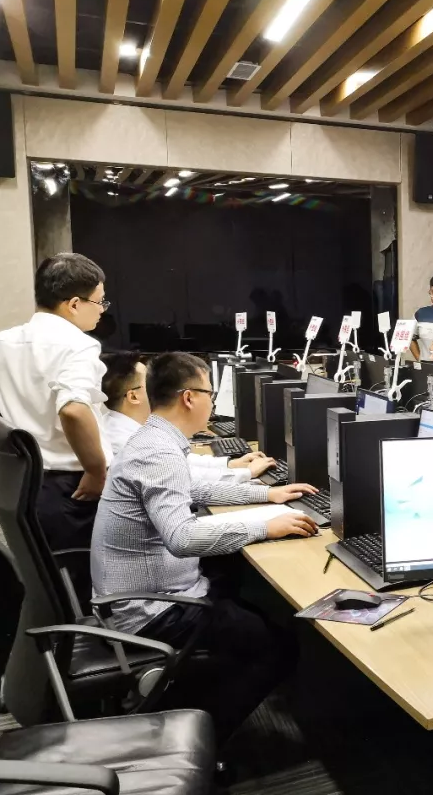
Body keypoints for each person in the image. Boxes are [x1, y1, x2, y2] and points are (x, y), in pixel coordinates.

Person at [91, 352, 319, 743]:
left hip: (145, 594)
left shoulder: (154, 439)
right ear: (189, 397)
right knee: (277, 647)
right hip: (150, 610)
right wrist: (265, 526)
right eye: (210, 393)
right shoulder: (158, 451)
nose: (212, 402)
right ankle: (197, 740)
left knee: (237, 584)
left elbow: (191, 489)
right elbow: (182, 538)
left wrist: (266, 493)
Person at [0, 254, 111, 551]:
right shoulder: (78, 346)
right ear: (74, 304)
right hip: (70, 489)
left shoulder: (4, 342)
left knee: (40, 569)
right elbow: (73, 410)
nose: (102, 310)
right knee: (79, 572)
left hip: (18, 483)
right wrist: (96, 470)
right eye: (99, 301)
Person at [99, 352, 275, 483]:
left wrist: (230, 465)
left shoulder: (131, 428)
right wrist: (246, 473)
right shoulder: (127, 441)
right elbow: (188, 479)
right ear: (133, 396)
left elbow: (181, 460)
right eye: (148, 383)